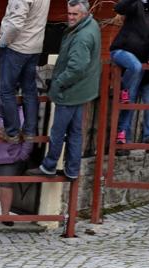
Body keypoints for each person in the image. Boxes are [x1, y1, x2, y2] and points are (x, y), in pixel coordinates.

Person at [35, 0, 100, 179]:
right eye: (69, 13)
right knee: (75, 132)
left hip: (70, 91)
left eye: (74, 14)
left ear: (84, 14)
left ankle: (49, 165)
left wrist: (57, 83)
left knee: (58, 131)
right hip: (82, 90)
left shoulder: (82, 37)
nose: (70, 17)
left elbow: (76, 68)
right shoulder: (91, 25)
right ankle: (72, 170)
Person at [109, 0, 149, 145]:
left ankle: (122, 135)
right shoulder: (137, 4)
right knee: (135, 69)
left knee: (130, 99)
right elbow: (119, 8)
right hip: (121, 50)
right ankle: (124, 89)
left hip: (140, 60)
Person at [0, 0, 52, 143]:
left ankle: (12, 132)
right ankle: (29, 131)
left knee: (6, 90)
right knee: (29, 89)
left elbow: (15, 24)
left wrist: (4, 41)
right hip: (35, 46)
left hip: (17, 46)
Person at [0, 110, 33, 225]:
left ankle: (5, 216)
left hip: (11, 156)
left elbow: (29, 134)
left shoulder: (23, 112)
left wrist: (23, 154)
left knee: (5, 185)